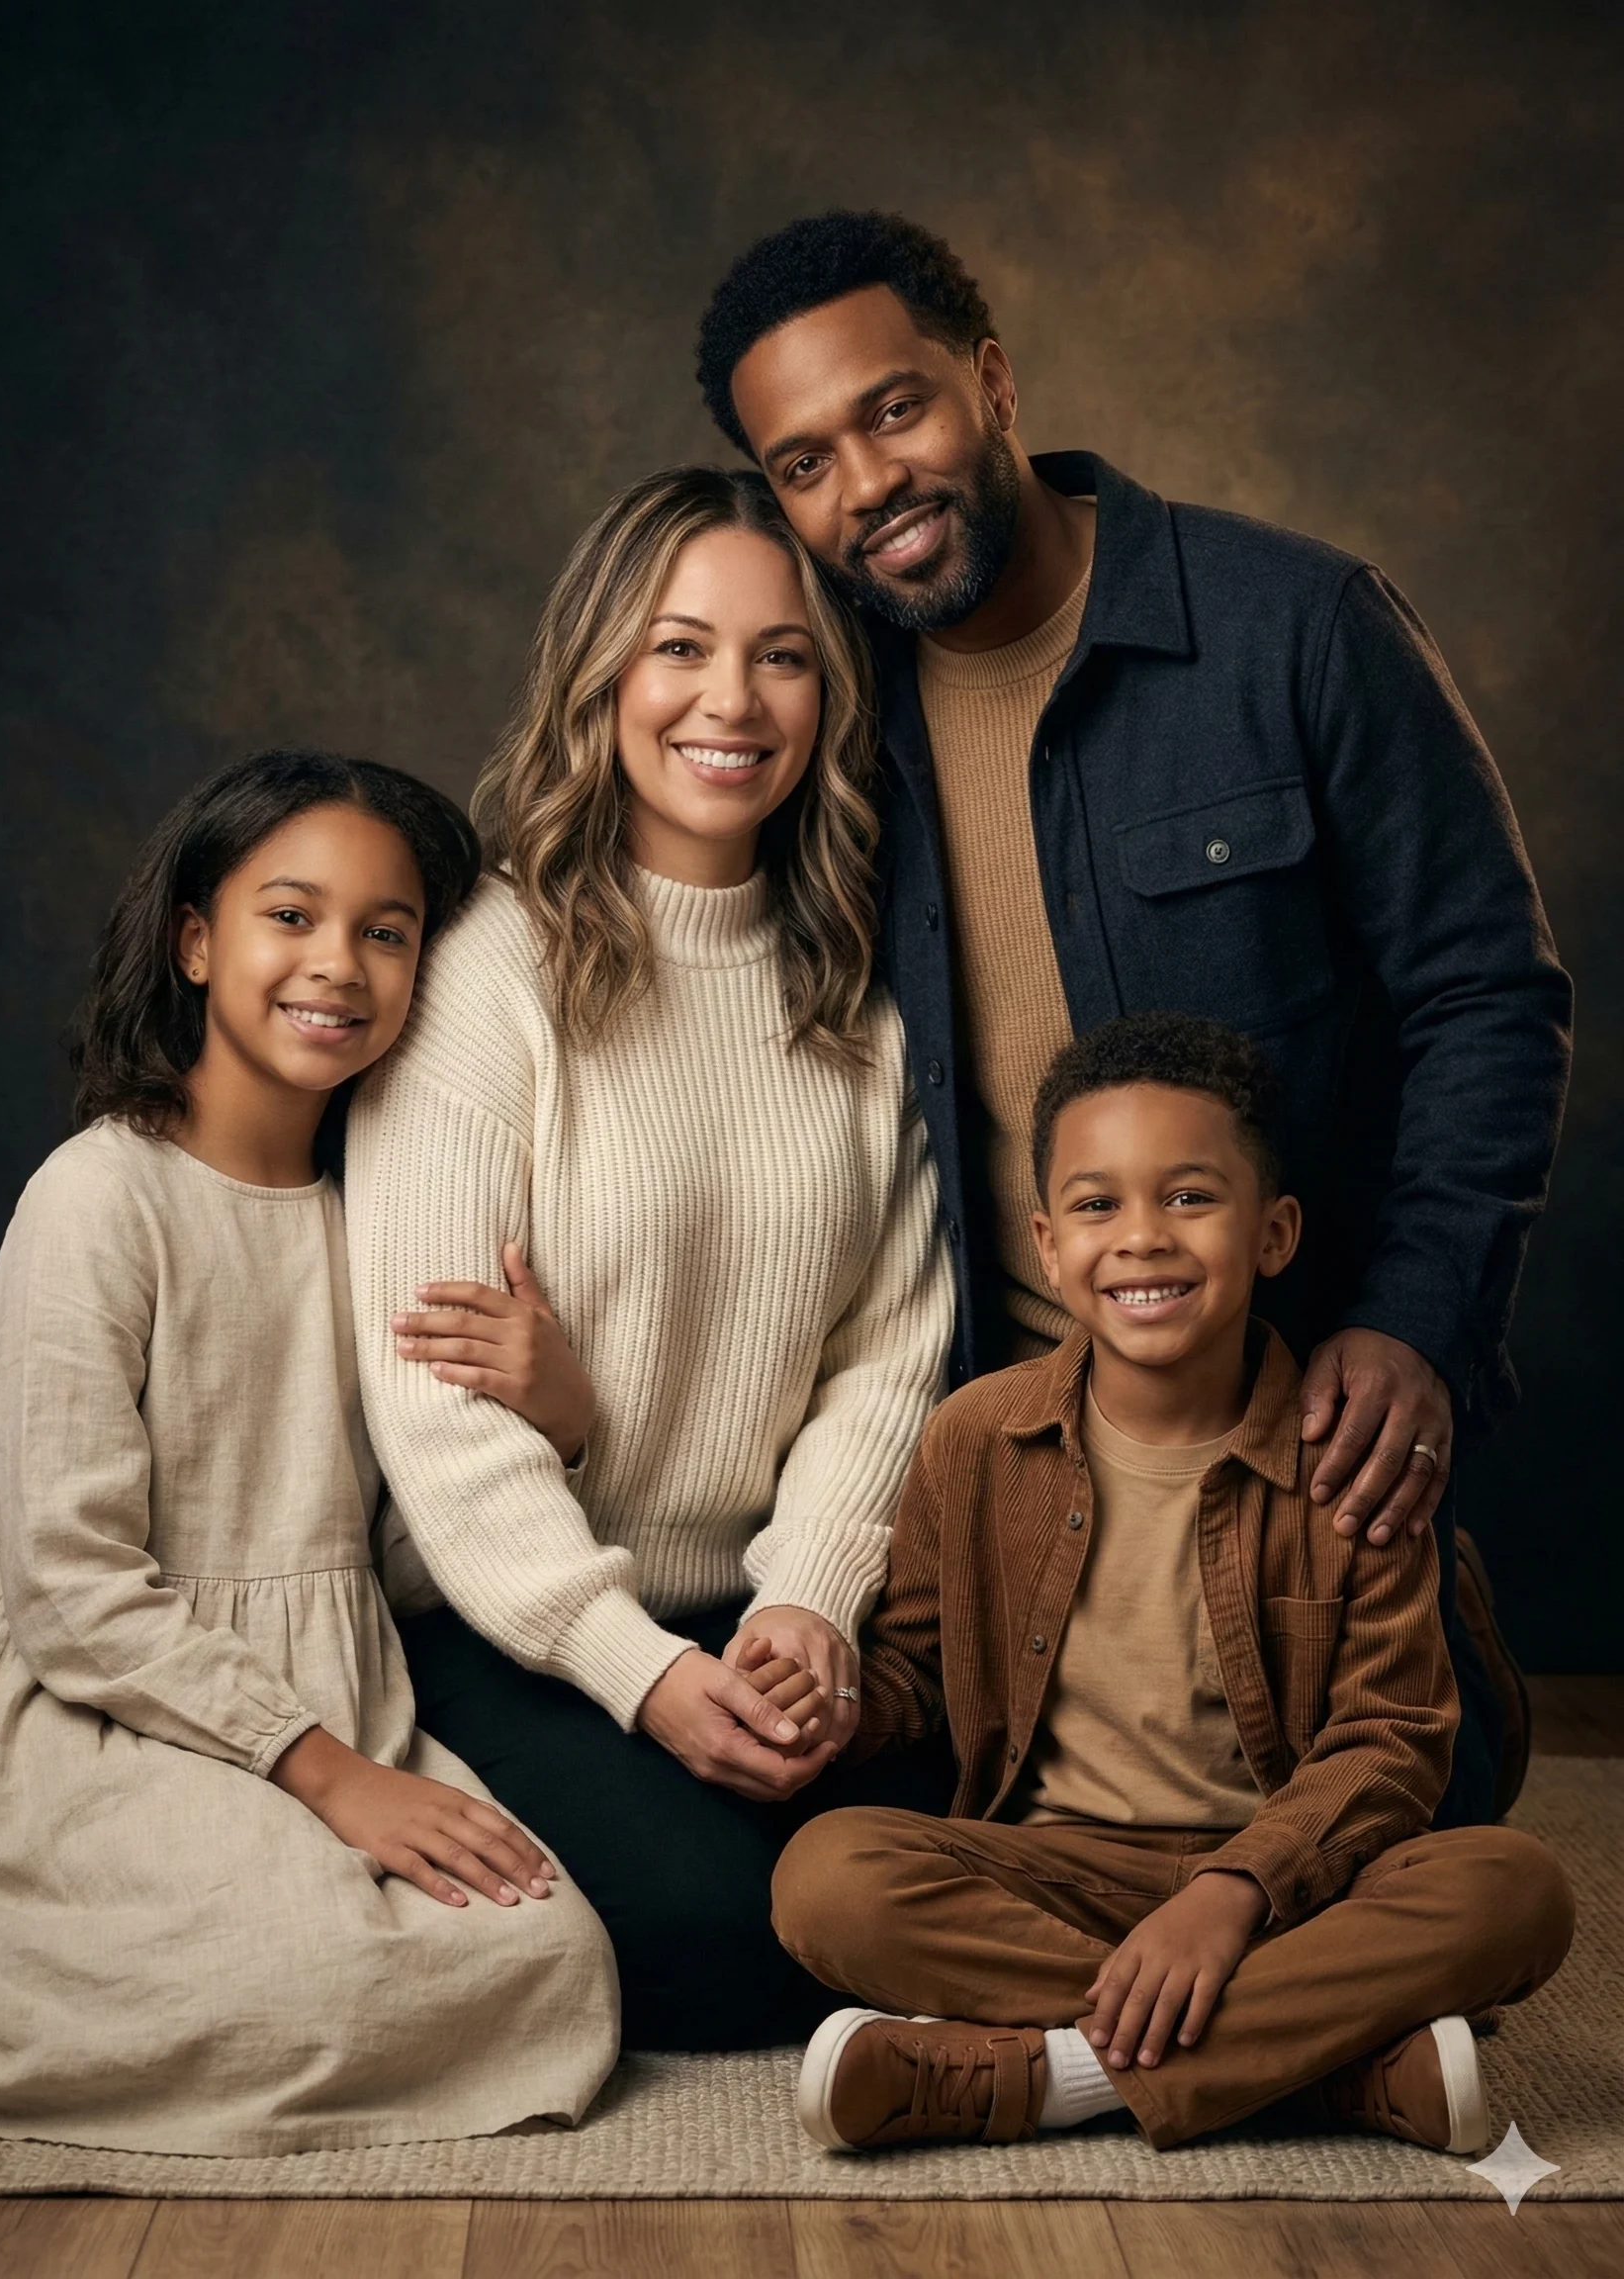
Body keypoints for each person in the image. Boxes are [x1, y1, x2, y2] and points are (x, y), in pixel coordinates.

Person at [694, 211, 1573, 1825]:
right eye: (804, 461)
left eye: (894, 408)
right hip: (996, 1457)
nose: (867, 483)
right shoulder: (815, 718)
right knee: (824, 1878)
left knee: (1423, 1835)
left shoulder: (1296, 627)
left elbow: (1487, 994)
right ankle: (1169, 2026)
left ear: (993, 376)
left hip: (1281, 1425)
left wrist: (1413, 1317)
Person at [0, 752, 618, 2153]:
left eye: (387, 930)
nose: (337, 966)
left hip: (328, 1688)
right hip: (93, 1698)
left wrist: (561, 1423)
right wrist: (326, 1774)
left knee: (547, 1960)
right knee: (299, 1976)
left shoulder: (383, 1219)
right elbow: (66, 1582)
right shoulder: (100, 1198)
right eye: (289, 916)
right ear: (195, 939)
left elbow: (399, 1553)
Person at [346, 467, 954, 2051]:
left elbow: (888, 1360)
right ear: (600, 677)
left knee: (1015, 1829)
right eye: (678, 649)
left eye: (784, 656)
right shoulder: (491, 976)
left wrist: (811, 1609)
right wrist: (641, 1674)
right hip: (520, 1629)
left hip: (756, 1621)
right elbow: (439, 1418)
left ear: (830, 696)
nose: (729, 702)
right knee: (726, 1953)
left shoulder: (859, 1003)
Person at [769, 1014, 1575, 2155]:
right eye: (1097, 1206)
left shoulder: (1347, 1450)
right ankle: (1327, 2067)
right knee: (828, 1877)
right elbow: (913, 1670)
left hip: (1289, 1884)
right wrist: (830, 1701)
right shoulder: (976, 1437)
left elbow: (1390, 1741)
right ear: (1046, 1245)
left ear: (1273, 1232)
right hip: (1054, 1870)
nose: (1140, 1239)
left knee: (1512, 1887)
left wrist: (1231, 1892)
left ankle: (1049, 2078)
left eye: (1189, 1199)